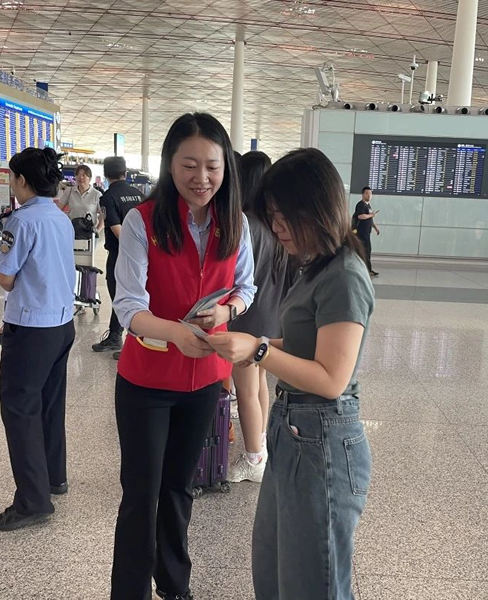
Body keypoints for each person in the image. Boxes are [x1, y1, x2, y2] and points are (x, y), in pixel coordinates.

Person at [207, 148, 374, 600]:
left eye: (283, 215)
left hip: (323, 440)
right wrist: (253, 345)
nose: (276, 226)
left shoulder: (344, 276)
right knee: (275, 568)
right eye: (272, 215)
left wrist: (259, 349)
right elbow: (304, 346)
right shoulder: (315, 267)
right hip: (295, 430)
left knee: (312, 581)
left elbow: (331, 379)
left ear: (315, 207)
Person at [110, 112, 256, 600]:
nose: (201, 178)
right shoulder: (143, 221)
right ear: (169, 164)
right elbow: (129, 306)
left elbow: (246, 287)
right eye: (189, 165)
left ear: (226, 168)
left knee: (178, 489)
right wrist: (175, 332)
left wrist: (228, 310)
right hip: (147, 381)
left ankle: (175, 586)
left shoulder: (235, 223)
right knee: (141, 494)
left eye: (212, 166)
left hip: (205, 379)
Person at [0, 147, 76, 532]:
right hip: (62, 325)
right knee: (49, 404)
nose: (12, 184)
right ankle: (54, 477)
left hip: (31, 328)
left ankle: (32, 501)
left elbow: (5, 279)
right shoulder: (61, 218)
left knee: (20, 408)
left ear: (22, 180)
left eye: (12, 178)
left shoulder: (21, 221)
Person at [228, 151, 289, 483]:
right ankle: (261, 446)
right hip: (272, 315)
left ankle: (253, 458)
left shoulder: (245, 224)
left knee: (246, 391)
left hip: (248, 318)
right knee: (261, 383)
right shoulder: (275, 225)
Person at [92, 157, 143, 355]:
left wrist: (130, 251)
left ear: (105, 174)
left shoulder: (108, 197)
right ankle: (116, 335)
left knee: (119, 297)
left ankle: (131, 342)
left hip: (120, 254)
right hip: (143, 255)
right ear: (126, 173)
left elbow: (116, 228)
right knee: (137, 295)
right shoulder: (138, 194)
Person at [57, 164, 104, 233]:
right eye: (78, 174)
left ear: (90, 178)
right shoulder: (69, 191)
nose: (80, 177)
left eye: (83, 175)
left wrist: (96, 232)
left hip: (89, 233)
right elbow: (58, 209)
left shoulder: (97, 194)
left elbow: (103, 216)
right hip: (72, 231)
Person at [355, 186, 380, 277]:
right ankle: (367, 270)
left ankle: (367, 269)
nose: (369, 195)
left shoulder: (368, 205)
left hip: (367, 232)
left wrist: (375, 227)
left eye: (370, 193)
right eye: (367, 193)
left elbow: (370, 219)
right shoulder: (361, 205)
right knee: (365, 250)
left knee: (367, 250)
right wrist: (371, 215)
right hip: (361, 232)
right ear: (363, 194)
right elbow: (361, 216)